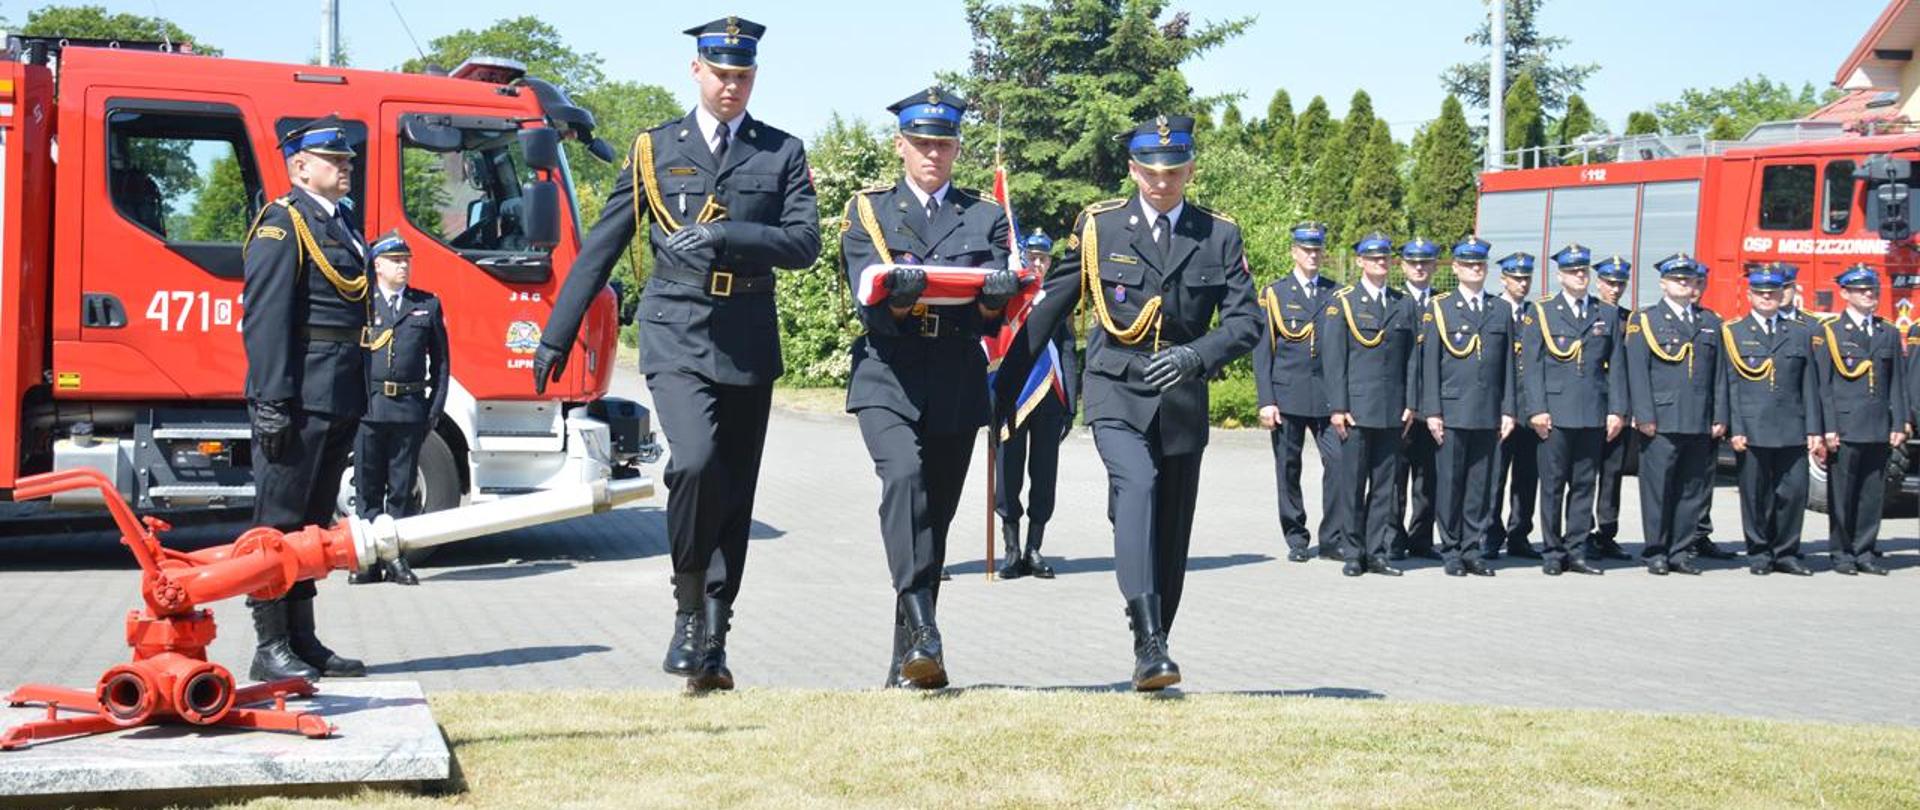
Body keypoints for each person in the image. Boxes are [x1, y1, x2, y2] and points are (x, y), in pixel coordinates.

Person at [534, 17, 822, 691]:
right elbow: (602, 245)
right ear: (697, 71)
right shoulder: (655, 149)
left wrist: (729, 237)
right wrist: (557, 333)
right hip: (676, 329)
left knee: (733, 488)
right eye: (722, 75)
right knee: (693, 463)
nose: (732, 87)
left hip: (747, 334)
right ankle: (688, 610)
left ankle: (715, 638)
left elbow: (804, 244)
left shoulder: (780, 151)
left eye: (743, 76)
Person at [1015, 114, 1259, 690]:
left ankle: (1155, 648)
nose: (1161, 182)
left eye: (1173, 172)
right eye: (1150, 171)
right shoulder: (1101, 226)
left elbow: (1248, 321)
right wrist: (1004, 384)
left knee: (1171, 531)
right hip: (1115, 386)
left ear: (1191, 170)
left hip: (1180, 394)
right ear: (1132, 169)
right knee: (1138, 485)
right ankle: (1148, 637)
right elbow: (1053, 303)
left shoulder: (1218, 234)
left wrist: (1198, 356)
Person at [843, 87, 1014, 689]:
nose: (932, 154)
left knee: (933, 521)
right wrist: (899, 301)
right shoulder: (869, 212)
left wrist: (995, 305)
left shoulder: (984, 216)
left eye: (942, 144)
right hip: (887, 373)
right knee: (904, 483)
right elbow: (865, 300)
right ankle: (925, 628)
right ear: (901, 146)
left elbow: (993, 308)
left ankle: (906, 662)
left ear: (956, 148)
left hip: (955, 377)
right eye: (921, 143)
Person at [241, 115, 369, 681]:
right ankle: (269, 646)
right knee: (277, 523)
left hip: (335, 393)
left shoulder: (341, 223)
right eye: (334, 161)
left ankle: (303, 638)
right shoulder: (282, 223)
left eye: (346, 161)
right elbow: (266, 319)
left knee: (312, 525)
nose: (346, 168)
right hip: (296, 397)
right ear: (300, 167)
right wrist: (272, 399)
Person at [347, 231, 447, 587]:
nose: (403, 266)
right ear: (378, 265)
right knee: (368, 490)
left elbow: (441, 365)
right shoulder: (363, 305)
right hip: (369, 410)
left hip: (408, 409)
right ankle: (368, 561)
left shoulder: (426, 305)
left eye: (406, 260)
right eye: (395, 260)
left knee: (402, 491)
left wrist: (433, 410)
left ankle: (396, 559)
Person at [1519, 244, 1621, 576]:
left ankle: (1577, 550)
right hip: (1555, 412)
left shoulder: (1604, 313)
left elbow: (1616, 367)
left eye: (1583, 271)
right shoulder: (1542, 311)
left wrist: (1616, 410)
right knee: (1552, 484)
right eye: (1573, 271)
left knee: (1583, 484)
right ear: (1561, 276)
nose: (1580, 276)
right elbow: (1532, 366)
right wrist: (1536, 409)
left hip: (1592, 410)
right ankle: (1552, 550)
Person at [1621, 254, 1725, 575]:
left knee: (1692, 489)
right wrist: (1643, 414)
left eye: (1689, 280)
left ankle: (1680, 551)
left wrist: (1719, 415)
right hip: (1661, 419)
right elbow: (1637, 372)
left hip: (1698, 419)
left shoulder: (1710, 322)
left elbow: (1719, 375)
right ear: (1663, 284)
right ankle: (1656, 551)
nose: (1684, 284)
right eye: (1677, 279)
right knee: (1658, 488)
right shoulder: (1647, 320)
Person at [1323, 233, 1420, 578]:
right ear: (1361, 261)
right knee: (1352, 484)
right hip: (1356, 411)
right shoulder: (1343, 301)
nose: (1381, 262)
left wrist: (1411, 403)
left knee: (1385, 486)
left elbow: (1412, 358)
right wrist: (1338, 406)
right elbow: (1334, 360)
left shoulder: (1403, 302)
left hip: (1392, 410)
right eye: (1373, 257)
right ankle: (1353, 552)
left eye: (1385, 258)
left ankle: (1377, 552)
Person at [1418, 236, 1511, 577]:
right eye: (1469, 264)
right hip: (1453, 410)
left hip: (1488, 412)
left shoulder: (1499, 309)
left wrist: (1509, 410)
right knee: (1451, 483)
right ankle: (1452, 549)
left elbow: (1508, 370)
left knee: (1480, 485)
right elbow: (1429, 364)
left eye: (1480, 264)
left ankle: (1473, 547)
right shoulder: (1441, 308)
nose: (1476, 269)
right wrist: (1433, 411)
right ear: (1455, 268)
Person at [1252, 222, 1343, 562]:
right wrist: (1266, 401)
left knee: (1339, 463)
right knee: (1288, 468)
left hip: (1327, 397)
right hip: (1287, 396)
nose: (1313, 255)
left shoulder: (1336, 293)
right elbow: (1262, 353)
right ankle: (1296, 538)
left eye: (1317, 249)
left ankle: (1333, 537)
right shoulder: (1275, 294)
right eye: (1306, 249)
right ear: (1294, 252)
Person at [1723, 264, 1820, 576]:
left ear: (1783, 295)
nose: (1767, 298)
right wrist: (1735, 428)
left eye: (1773, 293)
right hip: (1752, 427)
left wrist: (1814, 428)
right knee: (1756, 494)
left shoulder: (1799, 332)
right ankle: (1760, 552)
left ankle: (1786, 552)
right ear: (1750, 295)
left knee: (1793, 493)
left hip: (1792, 426)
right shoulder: (1734, 332)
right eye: (1761, 293)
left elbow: (1809, 384)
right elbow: (1730, 385)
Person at [1816, 264, 1908, 575]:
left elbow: (1898, 382)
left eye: (1872, 289)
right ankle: (1841, 553)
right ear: (1845, 294)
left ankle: (1864, 551)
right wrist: (1828, 426)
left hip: (1878, 425)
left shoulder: (1888, 332)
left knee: (1872, 493)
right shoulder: (1831, 332)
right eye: (1860, 290)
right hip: (1844, 426)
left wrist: (1899, 423)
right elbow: (1824, 386)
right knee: (1842, 494)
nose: (1869, 294)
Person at [996, 230, 1075, 580]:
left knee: (1044, 475)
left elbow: (1069, 351)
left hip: (1050, 398)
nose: (1039, 263)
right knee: (1008, 473)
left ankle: (1034, 547)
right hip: (1015, 396)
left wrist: (1071, 401)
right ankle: (1011, 549)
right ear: (1023, 258)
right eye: (1033, 257)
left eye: (1044, 258)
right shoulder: (1012, 296)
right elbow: (995, 345)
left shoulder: (1058, 297)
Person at [1489, 252, 1543, 561]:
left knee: (1527, 477)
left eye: (1526, 278)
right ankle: (1491, 534)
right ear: (1504, 280)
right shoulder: (1493, 309)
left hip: (1530, 409)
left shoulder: (1536, 314)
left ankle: (1520, 534)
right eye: (1516, 278)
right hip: (1499, 409)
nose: (1522, 284)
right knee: (1494, 477)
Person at [1393, 237, 1441, 561]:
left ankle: (1421, 540)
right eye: (1413, 262)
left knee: (1428, 478)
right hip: (1399, 406)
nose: (1419, 267)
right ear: (1403, 266)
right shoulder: (1394, 301)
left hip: (1434, 405)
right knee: (1395, 476)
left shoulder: (1444, 303)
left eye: (1425, 262)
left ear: (1435, 266)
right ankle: (1393, 539)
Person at [1587, 256, 1635, 561]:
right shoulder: (1590, 313)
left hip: (1618, 407)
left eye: (1620, 283)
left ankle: (1607, 533)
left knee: (1612, 474)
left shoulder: (1632, 320)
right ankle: (1581, 531)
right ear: (1598, 283)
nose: (1615, 289)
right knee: (1583, 475)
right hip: (1589, 405)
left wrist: (1625, 409)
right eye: (1610, 283)